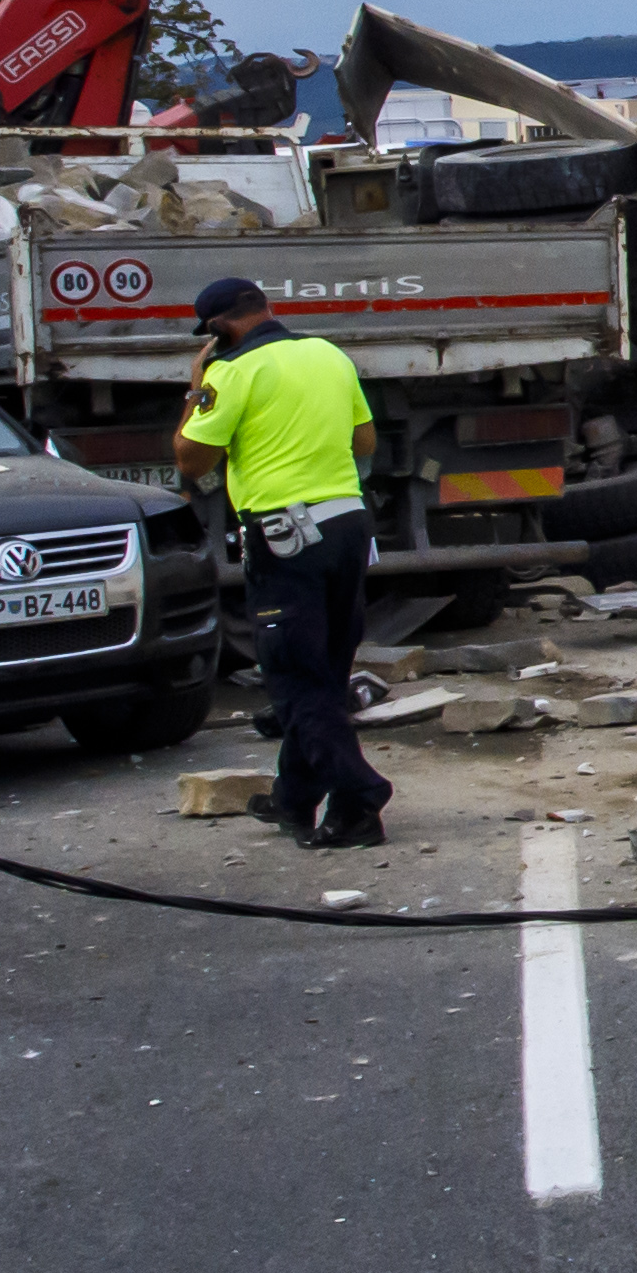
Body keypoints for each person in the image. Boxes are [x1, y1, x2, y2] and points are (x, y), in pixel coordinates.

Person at [170, 279, 388, 851]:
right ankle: (294, 800)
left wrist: (196, 392)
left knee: (294, 679)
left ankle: (361, 797)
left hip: (284, 536)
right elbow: (363, 442)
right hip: (347, 525)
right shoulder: (327, 354)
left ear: (218, 330)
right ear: (266, 310)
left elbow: (192, 461)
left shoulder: (230, 373)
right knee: (325, 671)